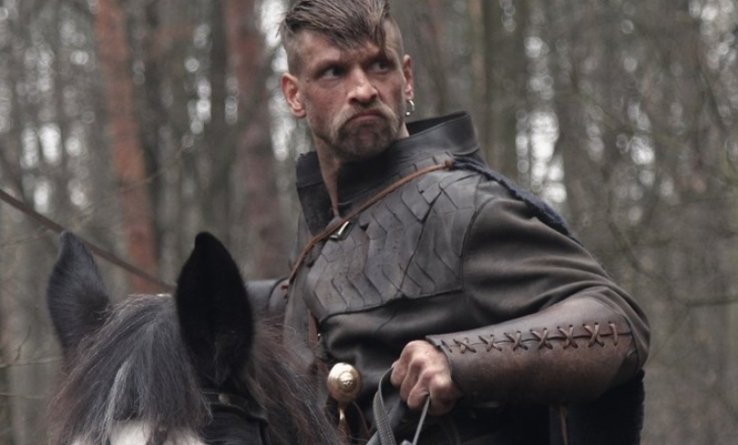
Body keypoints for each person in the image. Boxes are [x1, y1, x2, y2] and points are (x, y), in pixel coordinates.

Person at [257, 0, 650, 443]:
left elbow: (618, 325)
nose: (363, 89)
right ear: (294, 95)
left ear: (406, 77)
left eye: (379, 65)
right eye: (334, 72)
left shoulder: (461, 206)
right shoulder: (321, 232)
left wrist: (459, 359)